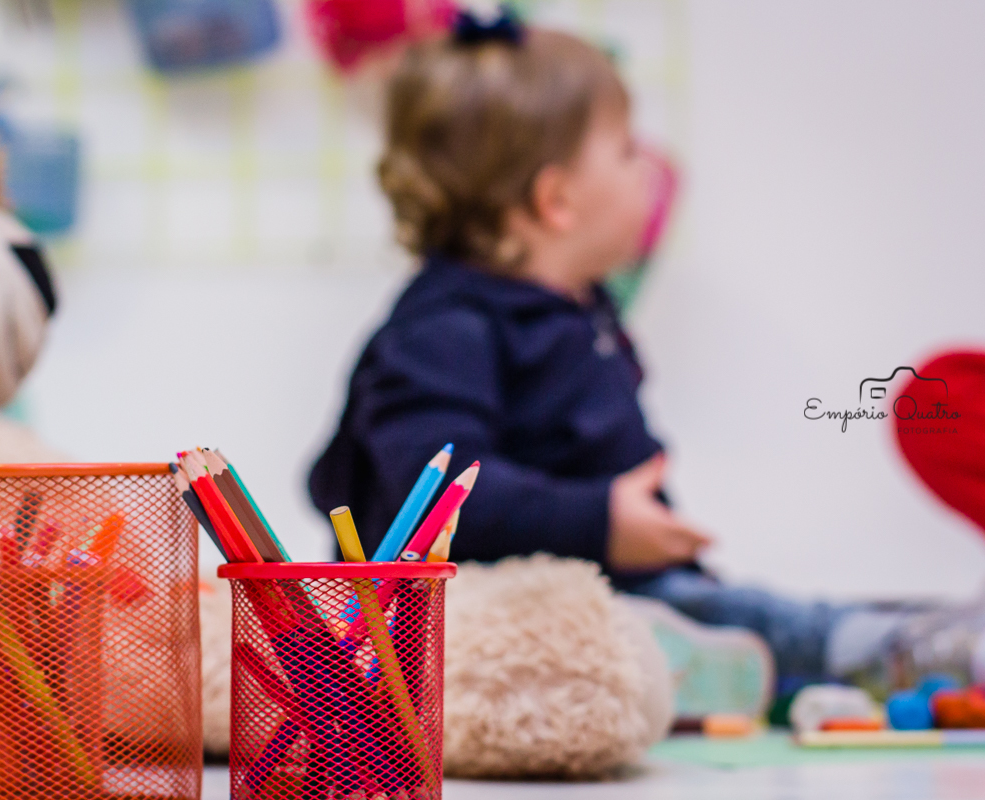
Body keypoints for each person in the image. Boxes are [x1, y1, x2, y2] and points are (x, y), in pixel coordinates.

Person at [308, 12, 984, 701]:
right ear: (557, 200)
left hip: (620, 587)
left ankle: (856, 655)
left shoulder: (576, 310)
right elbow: (428, 495)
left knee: (722, 612)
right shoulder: (446, 328)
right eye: (628, 151)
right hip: (497, 604)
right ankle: (889, 652)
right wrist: (597, 520)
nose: (648, 169)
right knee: (729, 621)